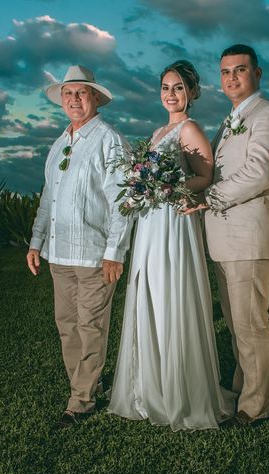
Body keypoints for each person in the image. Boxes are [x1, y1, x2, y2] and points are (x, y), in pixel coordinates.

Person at [108, 60, 234, 431]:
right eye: (165, 87)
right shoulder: (159, 129)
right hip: (150, 223)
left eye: (178, 87)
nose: (170, 94)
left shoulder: (190, 128)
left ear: (191, 93)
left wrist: (169, 186)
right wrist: (142, 186)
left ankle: (179, 391)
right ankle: (150, 388)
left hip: (173, 223)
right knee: (147, 294)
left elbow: (205, 176)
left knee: (169, 297)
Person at [26, 65, 133, 429]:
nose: (74, 99)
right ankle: (87, 387)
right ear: (61, 100)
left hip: (93, 255)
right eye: (68, 93)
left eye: (81, 93)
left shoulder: (109, 139)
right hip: (59, 254)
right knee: (67, 325)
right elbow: (48, 198)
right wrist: (36, 242)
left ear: (96, 98)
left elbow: (123, 201)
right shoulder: (59, 144)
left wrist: (114, 252)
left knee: (90, 326)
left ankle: (81, 401)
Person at [191, 44, 269, 426]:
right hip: (224, 239)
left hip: (252, 236)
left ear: (258, 73)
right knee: (236, 324)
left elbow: (261, 171)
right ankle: (239, 389)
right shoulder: (229, 120)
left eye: (240, 69)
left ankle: (256, 405)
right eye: (226, 72)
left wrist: (207, 197)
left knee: (251, 324)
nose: (232, 77)